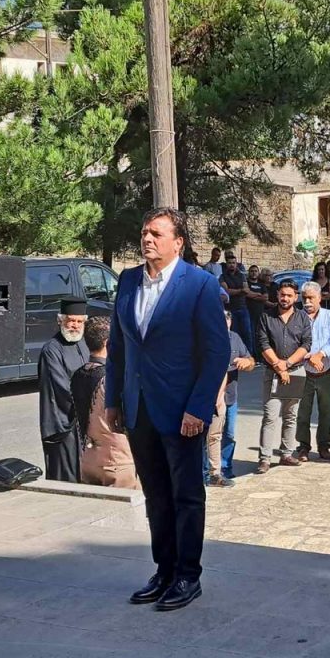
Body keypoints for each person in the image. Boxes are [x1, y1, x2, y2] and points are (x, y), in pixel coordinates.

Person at [106, 207, 231, 612]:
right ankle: (163, 571)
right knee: (156, 494)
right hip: (139, 407)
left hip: (182, 411)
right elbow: (119, 347)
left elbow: (217, 352)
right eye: (145, 232)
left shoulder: (199, 284)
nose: (147, 239)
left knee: (186, 495)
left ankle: (187, 576)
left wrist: (199, 407)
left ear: (178, 242)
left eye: (156, 234)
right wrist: (113, 400)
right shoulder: (128, 280)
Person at [71, 317, 137, 489]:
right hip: (117, 461)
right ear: (108, 343)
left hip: (88, 458)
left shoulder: (78, 374)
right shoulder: (112, 379)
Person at [255, 279, 312, 473]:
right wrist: (279, 367)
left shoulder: (302, 317)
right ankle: (265, 458)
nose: (285, 298)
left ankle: (287, 454)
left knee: (290, 416)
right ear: (277, 295)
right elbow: (262, 343)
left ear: (295, 297)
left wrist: (287, 364)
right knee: (270, 416)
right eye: (282, 295)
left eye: (289, 295)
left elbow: (306, 344)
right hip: (272, 372)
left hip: (295, 371)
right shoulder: (266, 316)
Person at [39, 298, 90, 482]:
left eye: (79, 321)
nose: (75, 325)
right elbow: (60, 387)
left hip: (83, 419)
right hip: (63, 422)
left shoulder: (84, 344)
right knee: (65, 474)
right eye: (71, 320)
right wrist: (88, 402)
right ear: (60, 320)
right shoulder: (51, 350)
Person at [205, 310, 256, 487]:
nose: (224, 322)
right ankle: (207, 473)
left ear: (230, 322)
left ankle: (225, 469)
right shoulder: (207, 339)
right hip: (210, 398)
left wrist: (247, 363)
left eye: (227, 319)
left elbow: (251, 361)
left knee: (228, 434)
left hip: (230, 397)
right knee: (209, 436)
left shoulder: (235, 338)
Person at [295, 282, 330, 462]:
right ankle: (303, 447)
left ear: (320, 298)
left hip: (325, 372)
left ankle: (324, 446)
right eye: (304, 298)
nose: (307, 302)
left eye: (311, 298)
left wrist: (320, 355)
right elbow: (294, 342)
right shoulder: (297, 317)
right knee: (303, 413)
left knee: (325, 412)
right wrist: (308, 356)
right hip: (303, 371)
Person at [219, 251, 253, 354]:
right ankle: (234, 355)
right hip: (230, 309)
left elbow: (246, 290)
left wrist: (236, 291)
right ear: (226, 264)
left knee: (247, 333)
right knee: (233, 334)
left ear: (236, 264)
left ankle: (249, 355)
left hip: (242, 307)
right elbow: (226, 291)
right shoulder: (222, 276)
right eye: (229, 263)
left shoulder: (241, 276)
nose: (232, 265)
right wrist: (240, 290)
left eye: (233, 263)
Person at [246, 264, 270, 346]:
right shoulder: (246, 283)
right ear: (249, 273)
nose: (254, 273)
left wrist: (253, 296)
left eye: (255, 271)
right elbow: (247, 294)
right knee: (251, 335)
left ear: (258, 273)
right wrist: (259, 295)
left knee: (260, 335)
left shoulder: (262, 285)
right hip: (249, 314)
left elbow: (266, 298)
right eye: (252, 271)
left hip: (260, 314)